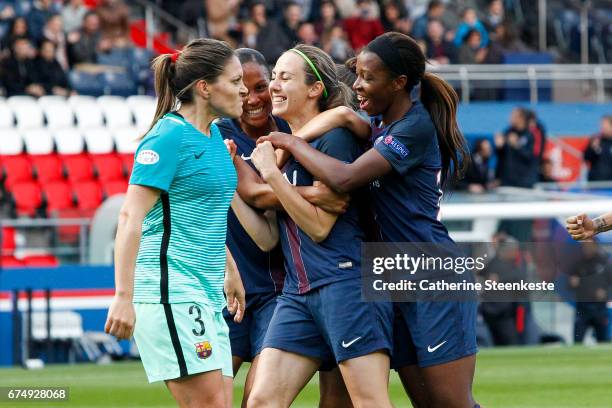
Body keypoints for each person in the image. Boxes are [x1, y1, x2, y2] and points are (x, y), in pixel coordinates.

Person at [258, 32, 479, 408]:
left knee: (450, 404)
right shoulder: (378, 124)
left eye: (368, 77)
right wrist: (287, 141)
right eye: (356, 75)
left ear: (399, 83)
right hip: (391, 278)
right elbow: (343, 116)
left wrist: (288, 145)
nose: (357, 85)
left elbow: (345, 178)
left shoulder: (414, 126)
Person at [241, 44, 394, 408]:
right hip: (298, 292)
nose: (274, 86)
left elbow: (320, 228)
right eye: (274, 76)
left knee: (369, 402)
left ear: (314, 89)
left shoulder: (334, 139)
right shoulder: (292, 147)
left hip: (346, 284)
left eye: (285, 77)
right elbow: (273, 233)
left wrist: (270, 175)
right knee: (262, 401)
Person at [104, 38, 247, 408]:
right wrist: (123, 296)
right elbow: (129, 216)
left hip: (206, 290)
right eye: (234, 81)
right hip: (170, 290)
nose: (244, 89)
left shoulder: (214, 135)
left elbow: (205, 212)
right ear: (204, 87)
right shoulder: (168, 136)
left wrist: (229, 269)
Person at [215, 48, 352, 407]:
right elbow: (258, 196)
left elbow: (302, 222)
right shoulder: (227, 136)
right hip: (255, 287)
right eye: (244, 90)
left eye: (269, 82)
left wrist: (285, 163)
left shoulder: (303, 135)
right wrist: (315, 191)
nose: (258, 96)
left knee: (347, 400)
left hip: (314, 284)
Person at [568, 242, 611, 344]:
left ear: (595, 246)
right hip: (582, 308)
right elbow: (569, 285)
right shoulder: (577, 263)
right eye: (585, 246)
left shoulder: (604, 262)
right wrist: (572, 283)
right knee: (578, 341)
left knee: (603, 341)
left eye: (589, 246)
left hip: (599, 308)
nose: (587, 248)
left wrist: (606, 293)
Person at [584, 115, 612, 181]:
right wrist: (592, 148)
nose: (602, 127)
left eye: (605, 125)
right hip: (596, 182)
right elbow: (586, 158)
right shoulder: (596, 140)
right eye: (601, 125)